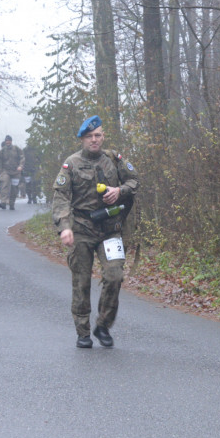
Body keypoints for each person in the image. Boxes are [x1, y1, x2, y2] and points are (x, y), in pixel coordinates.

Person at [51, 116, 139, 348]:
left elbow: (134, 182)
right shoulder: (71, 164)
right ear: (82, 139)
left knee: (114, 275)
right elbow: (60, 198)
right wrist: (65, 227)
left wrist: (119, 191)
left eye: (97, 135)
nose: (94, 140)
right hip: (80, 229)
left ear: (103, 136)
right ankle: (82, 331)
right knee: (81, 281)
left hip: (110, 230)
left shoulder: (114, 159)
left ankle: (103, 325)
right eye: (89, 136)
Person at [0, 135, 23, 210]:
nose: (8, 142)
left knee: (14, 188)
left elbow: (22, 157)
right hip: (5, 171)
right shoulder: (2, 150)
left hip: (16, 172)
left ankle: (11, 203)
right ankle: (3, 202)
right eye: (6, 141)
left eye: (9, 140)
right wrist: (0, 171)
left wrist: (21, 166)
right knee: (4, 185)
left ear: (11, 141)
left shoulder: (16, 149)